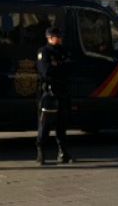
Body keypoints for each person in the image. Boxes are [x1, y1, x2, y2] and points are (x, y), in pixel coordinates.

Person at [36, 27, 73, 165]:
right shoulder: (44, 52)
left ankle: (63, 153)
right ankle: (41, 152)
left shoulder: (63, 51)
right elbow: (46, 71)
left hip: (62, 92)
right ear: (50, 38)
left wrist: (58, 68)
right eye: (57, 37)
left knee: (62, 124)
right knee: (45, 125)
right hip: (49, 93)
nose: (60, 39)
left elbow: (70, 68)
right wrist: (60, 68)